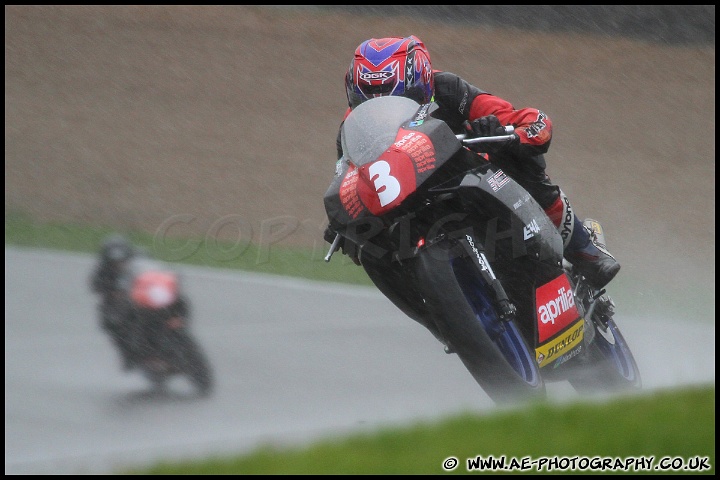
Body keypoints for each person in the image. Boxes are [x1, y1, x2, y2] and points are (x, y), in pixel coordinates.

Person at [334, 35, 620, 290]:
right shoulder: (353, 126)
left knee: (520, 157)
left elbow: (531, 120)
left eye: (391, 94)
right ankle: (441, 318)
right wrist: (342, 222)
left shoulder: (447, 89)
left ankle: (585, 249)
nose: (381, 104)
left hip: (475, 178)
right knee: (372, 249)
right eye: (368, 98)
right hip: (413, 204)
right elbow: (348, 178)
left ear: (419, 82)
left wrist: (506, 134)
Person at [90, 234, 138, 370]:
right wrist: (112, 292)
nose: (119, 264)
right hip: (118, 308)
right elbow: (95, 285)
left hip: (142, 300)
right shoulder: (102, 272)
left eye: (122, 260)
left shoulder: (138, 263)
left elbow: (153, 270)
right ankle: (128, 356)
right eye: (115, 262)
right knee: (115, 324)